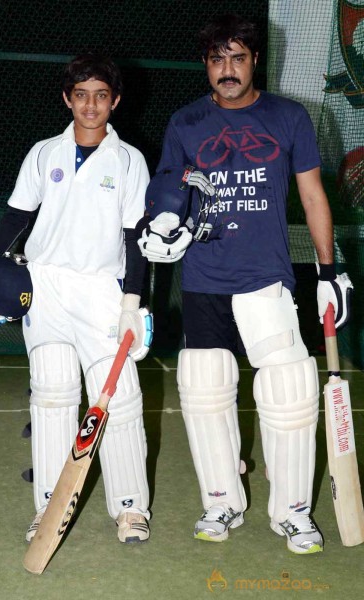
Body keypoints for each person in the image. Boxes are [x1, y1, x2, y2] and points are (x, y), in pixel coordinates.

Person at [138, 13, 353, 554]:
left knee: (289, 391)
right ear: (206, 66)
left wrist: (329, 271)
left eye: (237, 57)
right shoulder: (185, 123)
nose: (227, 70)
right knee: (205, 388)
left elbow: (312, 196)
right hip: (205, 277)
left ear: (255, 60)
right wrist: (161, 228)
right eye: (217, 59)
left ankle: (293, 512)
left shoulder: (289, 117)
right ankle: (221, 500)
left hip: (265, 278)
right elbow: (168, 192)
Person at [0, 52, 153, 544]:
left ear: (114, 101)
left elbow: (137, 237)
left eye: (100, 96)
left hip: (103, 294)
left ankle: (131, 508)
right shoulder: (43, 152)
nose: (90, 105)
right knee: (52, 397)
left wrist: (135, 302)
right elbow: (14, 218)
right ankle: (49, 508)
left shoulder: (131, 160)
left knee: (124, 400)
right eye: (80, 95)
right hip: (45, 286)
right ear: (67, 99)